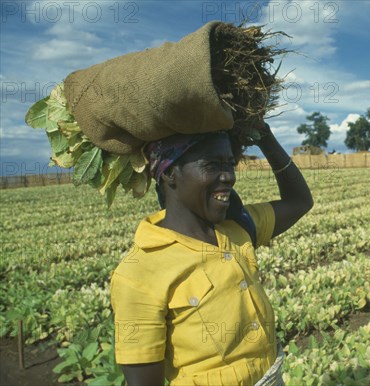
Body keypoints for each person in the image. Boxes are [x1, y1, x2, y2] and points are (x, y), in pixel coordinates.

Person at [110, 123, 313, 385]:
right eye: (212, 166)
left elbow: (300, 202)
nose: (229, 177)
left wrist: (266, 138)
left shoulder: (237, 228)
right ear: (171, 172)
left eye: (230, 164)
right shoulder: (138, 272)